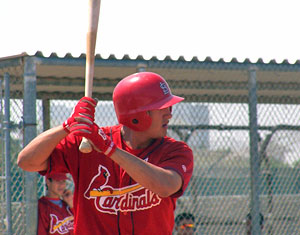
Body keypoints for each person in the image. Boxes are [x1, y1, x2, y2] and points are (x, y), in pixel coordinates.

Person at [17, 72, 194, 235]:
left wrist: (109, 149)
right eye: (162, 107)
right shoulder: (87, 144)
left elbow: (166, 186)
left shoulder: (175, 151)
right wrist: (69, 125)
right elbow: (27, 161)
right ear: (137, 115)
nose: (169, 114)